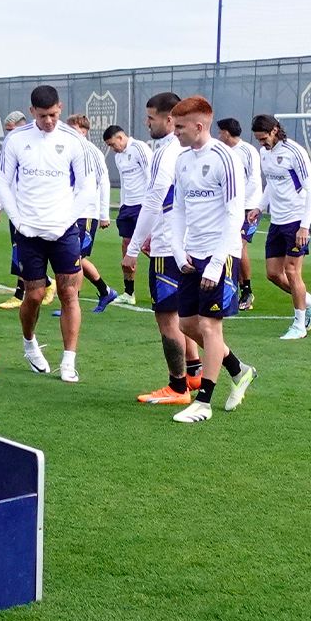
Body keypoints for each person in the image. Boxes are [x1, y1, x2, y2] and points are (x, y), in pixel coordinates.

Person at [0, 85, 93, 383]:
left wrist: (68, 220)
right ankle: (29, 343)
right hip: (29, 232)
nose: (49, 121)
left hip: (64, 231)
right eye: (42, 115)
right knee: (34, 295)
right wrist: (19, 220)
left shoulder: (74, 139)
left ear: (59, 108)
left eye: (53, 114)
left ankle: (68, 360)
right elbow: (2, 180)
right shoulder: (16, 139)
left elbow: (87, 186)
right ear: (32, 111)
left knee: (68, 293)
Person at [166, 96, 256, 423]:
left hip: (221, 254)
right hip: (192, 253)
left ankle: (203, 402)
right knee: (187, 323)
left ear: (199, 126)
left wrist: (218, 262)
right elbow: (178, 209)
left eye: (179, 127)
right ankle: (239, 370)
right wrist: (178, 249)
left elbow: (235, 213)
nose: (174, 132)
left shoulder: (225, 158)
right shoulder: (182, 160)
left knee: (209, 326)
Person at [122, 93, 205, 406]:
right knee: (183, 314)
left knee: (167, 317)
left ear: (170, 119)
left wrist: (132, 248)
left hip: (168, 247)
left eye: (151, 118)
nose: (147, 123)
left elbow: (155, 200)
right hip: (184, 242)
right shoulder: (187, 151)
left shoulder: (167, 151)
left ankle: (178, 386)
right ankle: (195, 371)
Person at [251, 113, 311, 339]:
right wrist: (259, 208)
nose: (261, 143)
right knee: (273, 274)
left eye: (263, 139)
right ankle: (310, 301)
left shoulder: (294, 152)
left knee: (292, 271)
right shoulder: (264, 153)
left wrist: (304, 226)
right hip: (277, 220)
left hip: (296, 219)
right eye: (258, 140)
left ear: (274, 130)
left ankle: (299, 325)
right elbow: (270, 185)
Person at [61, 115, 119, 314]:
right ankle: (104, 291)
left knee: (75, 257)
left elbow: (103, 181)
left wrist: (104, 214)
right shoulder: (68, 150)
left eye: (73, 129)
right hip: (70, 212)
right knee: (72, 257)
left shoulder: (92, 152)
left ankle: (74, 302)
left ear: (84, 131)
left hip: (86, 212)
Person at [216, 118, 263, 310]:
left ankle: (247, 291)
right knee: (229, 245)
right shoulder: (224, 153)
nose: (218, 136)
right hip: (231, 208)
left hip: (248, 207)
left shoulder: (248, 151)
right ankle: (232, 288)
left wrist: (241, 203)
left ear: (227, 132)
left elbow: (253, 180)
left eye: (220, 132)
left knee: (238, 245)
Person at [103, 123, 153, 305]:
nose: (112, 148)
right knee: (127, 246)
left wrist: (151, 203)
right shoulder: (119, 158)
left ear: (120, 138)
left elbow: (151, 175)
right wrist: (123, 204)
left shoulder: (139, 148)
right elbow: (125, 182)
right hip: (128, 207)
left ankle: (173, 275)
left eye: (112, 144)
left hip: (143, 205)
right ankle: (129, 293)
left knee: (147, 246)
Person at [0, 110, 37, 310]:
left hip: (29, 208)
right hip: (15, 208)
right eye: (6, 130)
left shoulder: (32, 146)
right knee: (19, 249)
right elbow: (5, 178)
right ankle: (28, 288)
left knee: (24, 250)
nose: (9, 134)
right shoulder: (12, 146)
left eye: (12, 130)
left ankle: (24, 292)